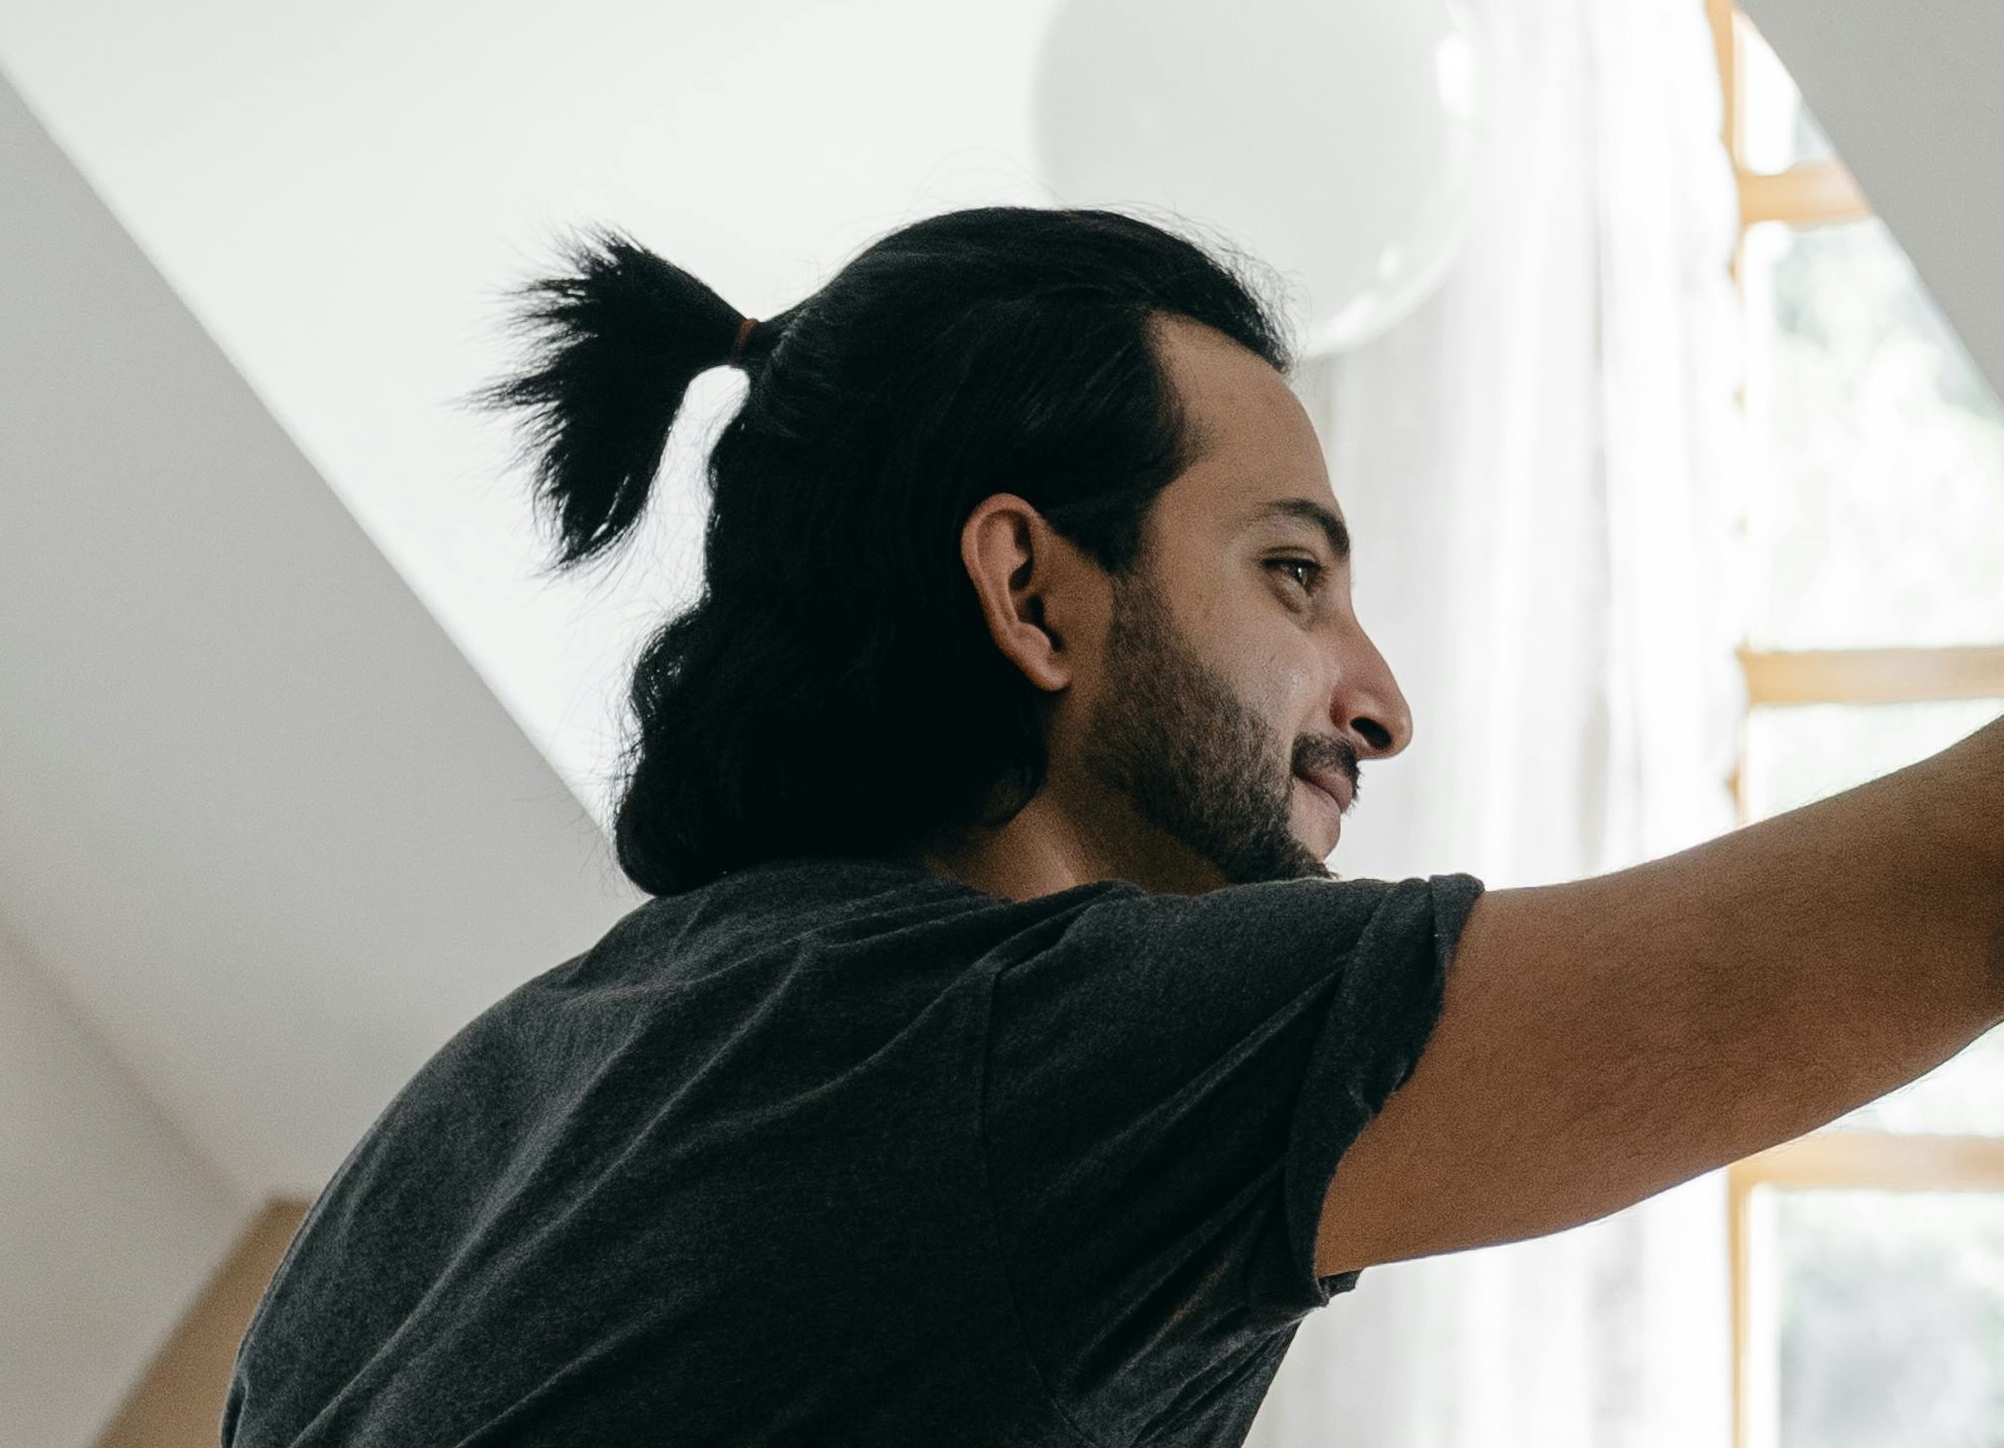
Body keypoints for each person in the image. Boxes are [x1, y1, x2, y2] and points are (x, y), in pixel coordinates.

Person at [223, 208, 2004, 1447]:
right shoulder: (1031, 1051)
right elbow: (1946, 894)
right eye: (1290, 575)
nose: (1379, 702)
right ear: (1029, 591)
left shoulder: (490, 1093)